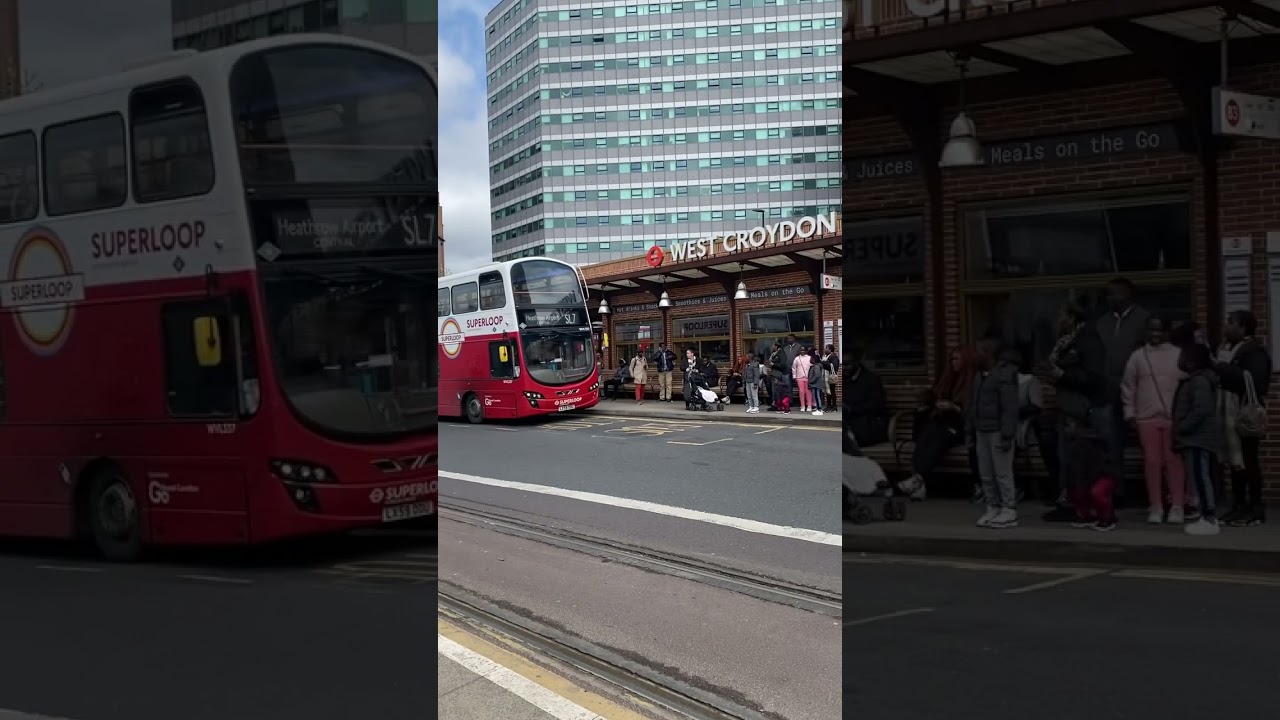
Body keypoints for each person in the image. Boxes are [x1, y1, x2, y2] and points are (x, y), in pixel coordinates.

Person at [1039, 303, 1108, 522]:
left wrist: (1060, 374)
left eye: (1061, 314)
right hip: (1063, 404)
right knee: (1064, 456)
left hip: (1079, 407)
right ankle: (1070, 500)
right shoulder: (1063, 342)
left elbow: (1092, 377)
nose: (1057, 319)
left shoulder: (1087, 341)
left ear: (1072, 317)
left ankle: (1079, 505)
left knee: (1075, 458)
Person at [1121, 315, 1186, 524]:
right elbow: (1128, 386)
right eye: (1151, 330)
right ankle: (1156, 505)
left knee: (1174, 462)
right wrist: (1129, 412)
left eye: (1159, 330)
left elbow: (1186, 386)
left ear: (1168, 332)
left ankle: (1177, 505)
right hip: (1145, 416)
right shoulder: (1138, 357)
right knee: (1152, 462)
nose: (1155, 334)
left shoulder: (1179, 355)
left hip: (1173, 417)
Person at [1215, 309, 1272, 526]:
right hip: (1228, 412)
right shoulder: (1226, 349)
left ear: (1242, 327)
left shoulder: (1254, 352)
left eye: (1230, 323)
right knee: (1234, 463)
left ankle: (1255, 508)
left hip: (1244, 414)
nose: (1225, 327)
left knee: (1248, 461)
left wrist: (1222, 369)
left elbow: (1255, 382)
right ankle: (1238, 505)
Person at [897, 345, 977, 500]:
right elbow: (935, 397)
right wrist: (931, 402)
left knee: (936, 437)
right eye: (951, 359)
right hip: (942, 422)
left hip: (960, 426)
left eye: (956, 359)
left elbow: (971, 412)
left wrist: (953, 407)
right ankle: (919, 480)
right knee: (927, 433)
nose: (953, 363)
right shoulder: (948, 379)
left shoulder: (973, 382)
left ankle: (918, 479)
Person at [1097, 278, 1150, 501]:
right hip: (1108, 390)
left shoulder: (1144, 319)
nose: (1111, 298)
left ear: (1128, 294)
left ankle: (1154, 493)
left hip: (1139, 392)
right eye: (1108, 294)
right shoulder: (1101, 322)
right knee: (1111, 444)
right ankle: (1116, 492)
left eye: (1115, 293)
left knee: (1147, 444)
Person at [968, 338, 1020, 528]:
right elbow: (973, 405)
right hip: (982, 429)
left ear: (989, 354)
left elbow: (1010, 408)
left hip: (998, 430)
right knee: (986, 472)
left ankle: (1009, 508)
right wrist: (970, 430)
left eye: (978, 351)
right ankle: (993, 506)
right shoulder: (978, 376)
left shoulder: (1005, 375)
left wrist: (1007, 435)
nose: (974, 356)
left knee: (1002, 472)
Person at [1173, 343, 1224, 535]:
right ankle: (1207, 515)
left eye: (1183, 356)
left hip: (1197, 439)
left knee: (1201, 478)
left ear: (1192, 361)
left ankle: (1209, 518)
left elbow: (1201, 409)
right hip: (1195, 438)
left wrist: (1183, 427)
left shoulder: (1199, 381)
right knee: (1199, 477)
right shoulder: (1196, 380)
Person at [1064, 418, 1118, 531]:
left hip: (1102, 475)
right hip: (1092, 476)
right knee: (1078, 490)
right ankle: (1087, 516)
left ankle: (1106, 518)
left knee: (1096, 492)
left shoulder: (1083, 443)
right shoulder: (1076, 442)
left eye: (1068, 426)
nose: (1066, 430)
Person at [844, 348, 888, 446]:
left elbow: (876, 405)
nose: (844, 368)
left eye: (847, 364)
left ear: (856, 363)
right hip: (847, 423)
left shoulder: (871, 380)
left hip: (868, 424)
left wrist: (851, 409)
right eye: (841, 365)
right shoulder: (840, 380)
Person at [767, 342, 789, 413]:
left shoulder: (781, 354)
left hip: (778, 374)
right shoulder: (774, 354)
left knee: (777, 390)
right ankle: (775, 404)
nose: (771, 347)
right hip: (773, 374)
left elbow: (783, 365)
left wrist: (773, 364)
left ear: (776, 346)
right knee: (774, 390)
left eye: (773, 345)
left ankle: (778, 405)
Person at [781, 334, 802, 404]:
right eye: (787, 339)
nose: (788, 340)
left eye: (790, 338)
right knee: (788, 385)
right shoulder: (785, 348)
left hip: (797, 369)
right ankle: (789, 401)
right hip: (787, 368)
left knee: (800, 386)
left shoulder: (799, 347)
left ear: (794, 339)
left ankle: (802, 402)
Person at [792, 346, 813, 413]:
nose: (802, 351)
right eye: (801, 350)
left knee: (808, 392)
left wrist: (811, 376)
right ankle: (802, 406)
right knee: (801, 392)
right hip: (799, 377)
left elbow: (812, 367)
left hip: (808, 377)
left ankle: (809, 405)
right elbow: (794, 368)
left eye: (804, 350)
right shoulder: (797, 359)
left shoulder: (810, 358)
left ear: (806, 351)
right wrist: (794, 376)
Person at [809, 348, 829, 416]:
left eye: (811, 358)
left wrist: (811, 381)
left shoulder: (816, 366)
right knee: (817, 396)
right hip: (816, 384)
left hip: (816, 384)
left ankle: (819, 409)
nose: (810, 360)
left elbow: (817, 375)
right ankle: (818, 409)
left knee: (817, 397)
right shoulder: (816, 366)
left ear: (814, 360)